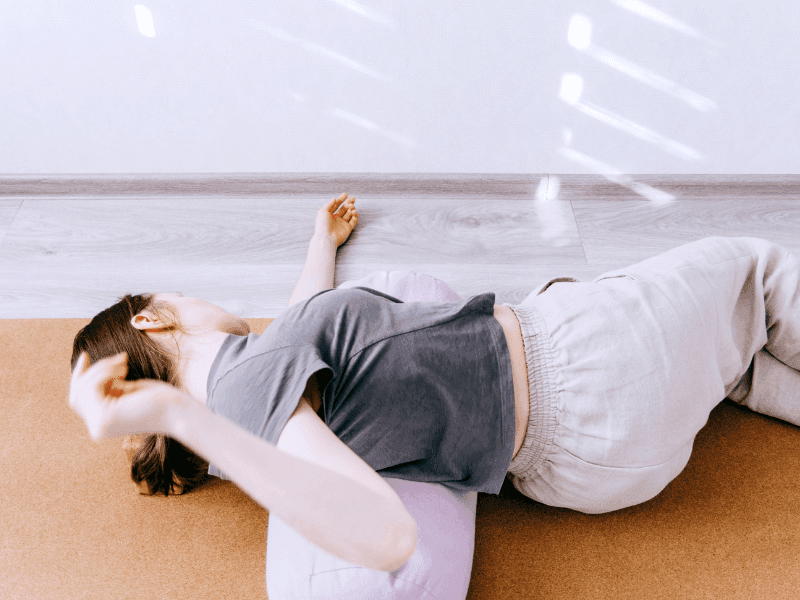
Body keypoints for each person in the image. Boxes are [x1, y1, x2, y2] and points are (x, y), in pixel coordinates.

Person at [68, 192, 800, 573]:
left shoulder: (249, 405)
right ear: (152, 319)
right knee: (756, 273)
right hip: (592, 373)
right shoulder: (245, 390)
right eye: (177, 295)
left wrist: (321, 243)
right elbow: (387, 536)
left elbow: (298, 318)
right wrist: (177, 414)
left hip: (575, 467)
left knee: (737, 364)